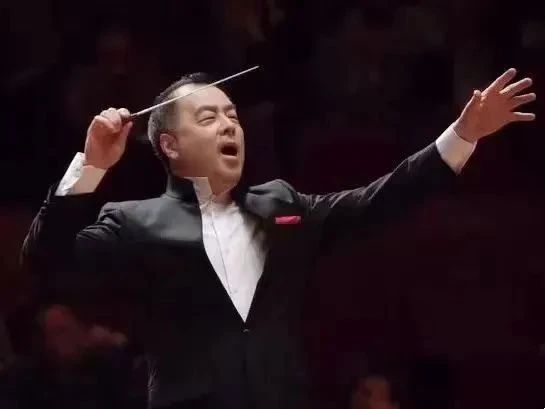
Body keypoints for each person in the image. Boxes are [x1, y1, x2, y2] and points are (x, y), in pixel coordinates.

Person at [21, 68, 535, 409]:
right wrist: (92, 166)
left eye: (233, 116)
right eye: (209, 117)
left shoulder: (281, 205)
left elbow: (379, 200)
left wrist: (464, 135)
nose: (230, 126)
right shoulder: (133, 223)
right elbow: (43, 262)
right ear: (170, 145)